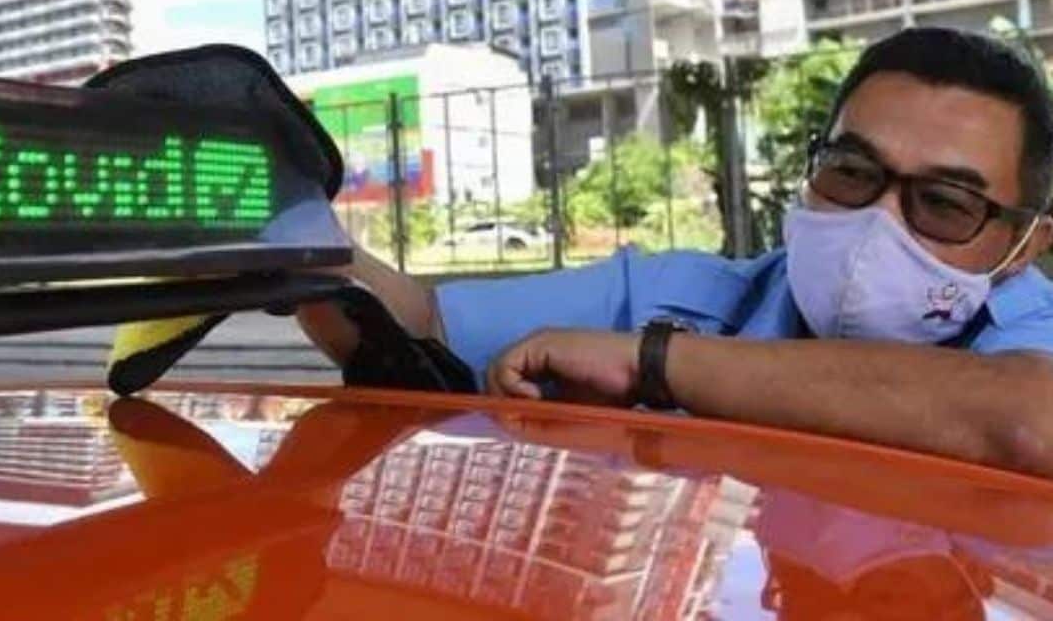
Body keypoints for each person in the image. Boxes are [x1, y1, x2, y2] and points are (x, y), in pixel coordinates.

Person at [298, 27, 1053, 479]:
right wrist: (294, 229)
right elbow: (419, 324)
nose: (877, 224)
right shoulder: (687, 293)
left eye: (945, 203)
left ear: (1026, 244)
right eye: (851, 172)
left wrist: (656, 364)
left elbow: (1029, 423)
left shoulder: (1028, 333)